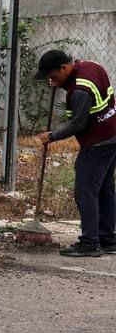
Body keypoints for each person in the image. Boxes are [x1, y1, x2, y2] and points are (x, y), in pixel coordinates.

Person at [33, 49, 116, 257]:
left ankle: (90, 243)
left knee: (85, 191)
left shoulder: (80, 90)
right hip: (112, 133)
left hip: (99, 142)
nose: (52, 79)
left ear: (64, 67)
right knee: (104, 187)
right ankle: (107, 239)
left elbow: (78, 123)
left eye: (53, 75)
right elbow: (82, 88)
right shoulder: (90, 66)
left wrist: (52, 136)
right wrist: (61, 84)